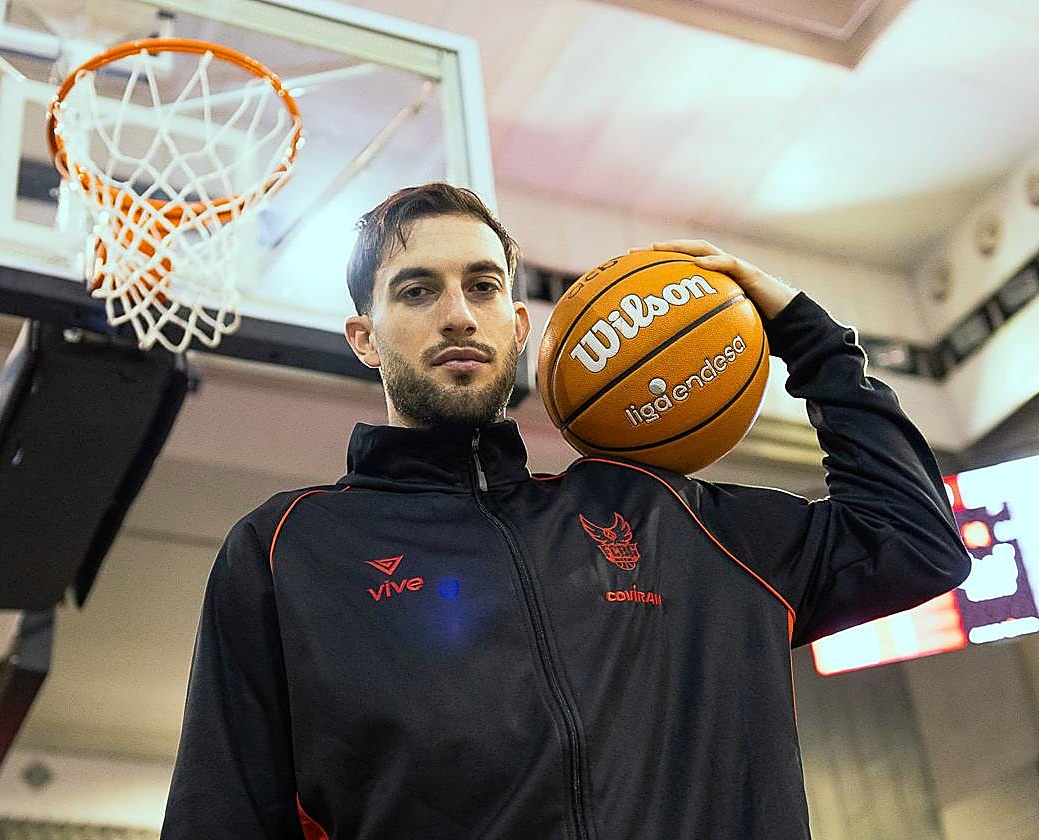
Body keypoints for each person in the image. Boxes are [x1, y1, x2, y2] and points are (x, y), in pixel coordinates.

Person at [161, 183, 970, 839]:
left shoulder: (662, 516)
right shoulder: (290, 549)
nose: (457, 313)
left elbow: (915, 540)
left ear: (519, 327)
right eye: (417, 290)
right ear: (364, 338)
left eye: (483, 286)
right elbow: (219, 815)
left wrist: (808, 336)